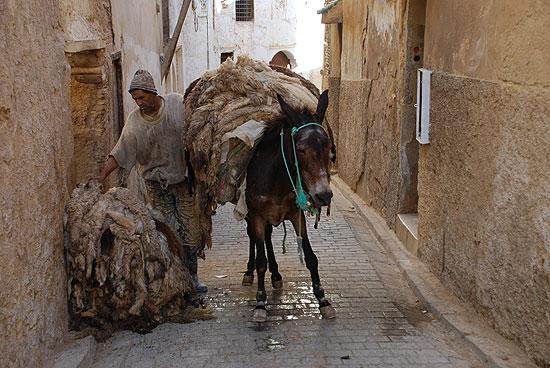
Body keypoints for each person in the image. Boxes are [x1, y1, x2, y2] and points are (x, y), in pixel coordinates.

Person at [96, 69, 207, 293]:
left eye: (141, 97)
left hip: (183, 183)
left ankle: (193, 276)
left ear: (152, 92)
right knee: (170, 233)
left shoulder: (176, 106)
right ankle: (178, 280)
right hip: (156, 187)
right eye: (134, 99)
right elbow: (120, 152)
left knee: (191, 232)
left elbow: (198, 130)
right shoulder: (134, 122)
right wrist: (101, 177)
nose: (138, 103)